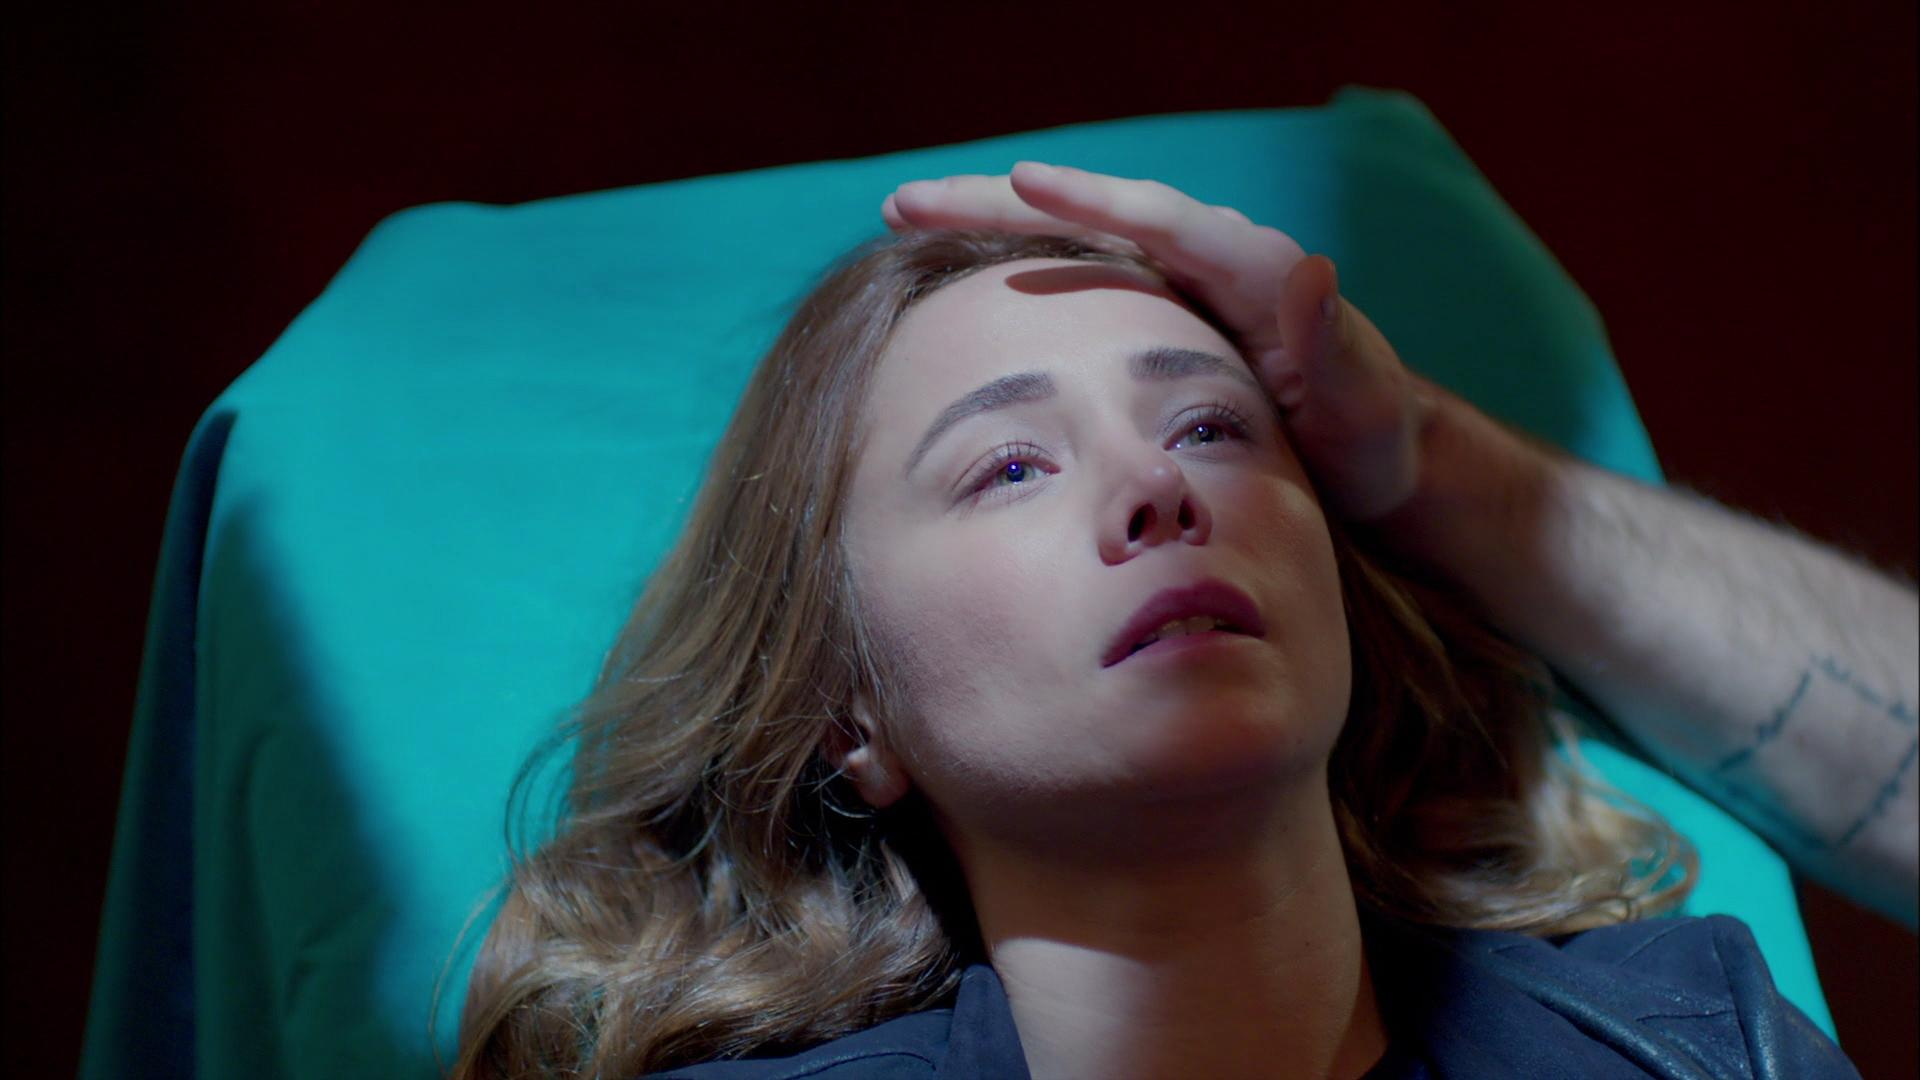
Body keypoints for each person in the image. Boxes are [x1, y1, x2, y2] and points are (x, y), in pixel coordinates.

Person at [448, 167, 1885, 1078]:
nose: (1156, 488)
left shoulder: (1701, 1036)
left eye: (1210, 427)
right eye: (1009, 467)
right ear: (846, 716)